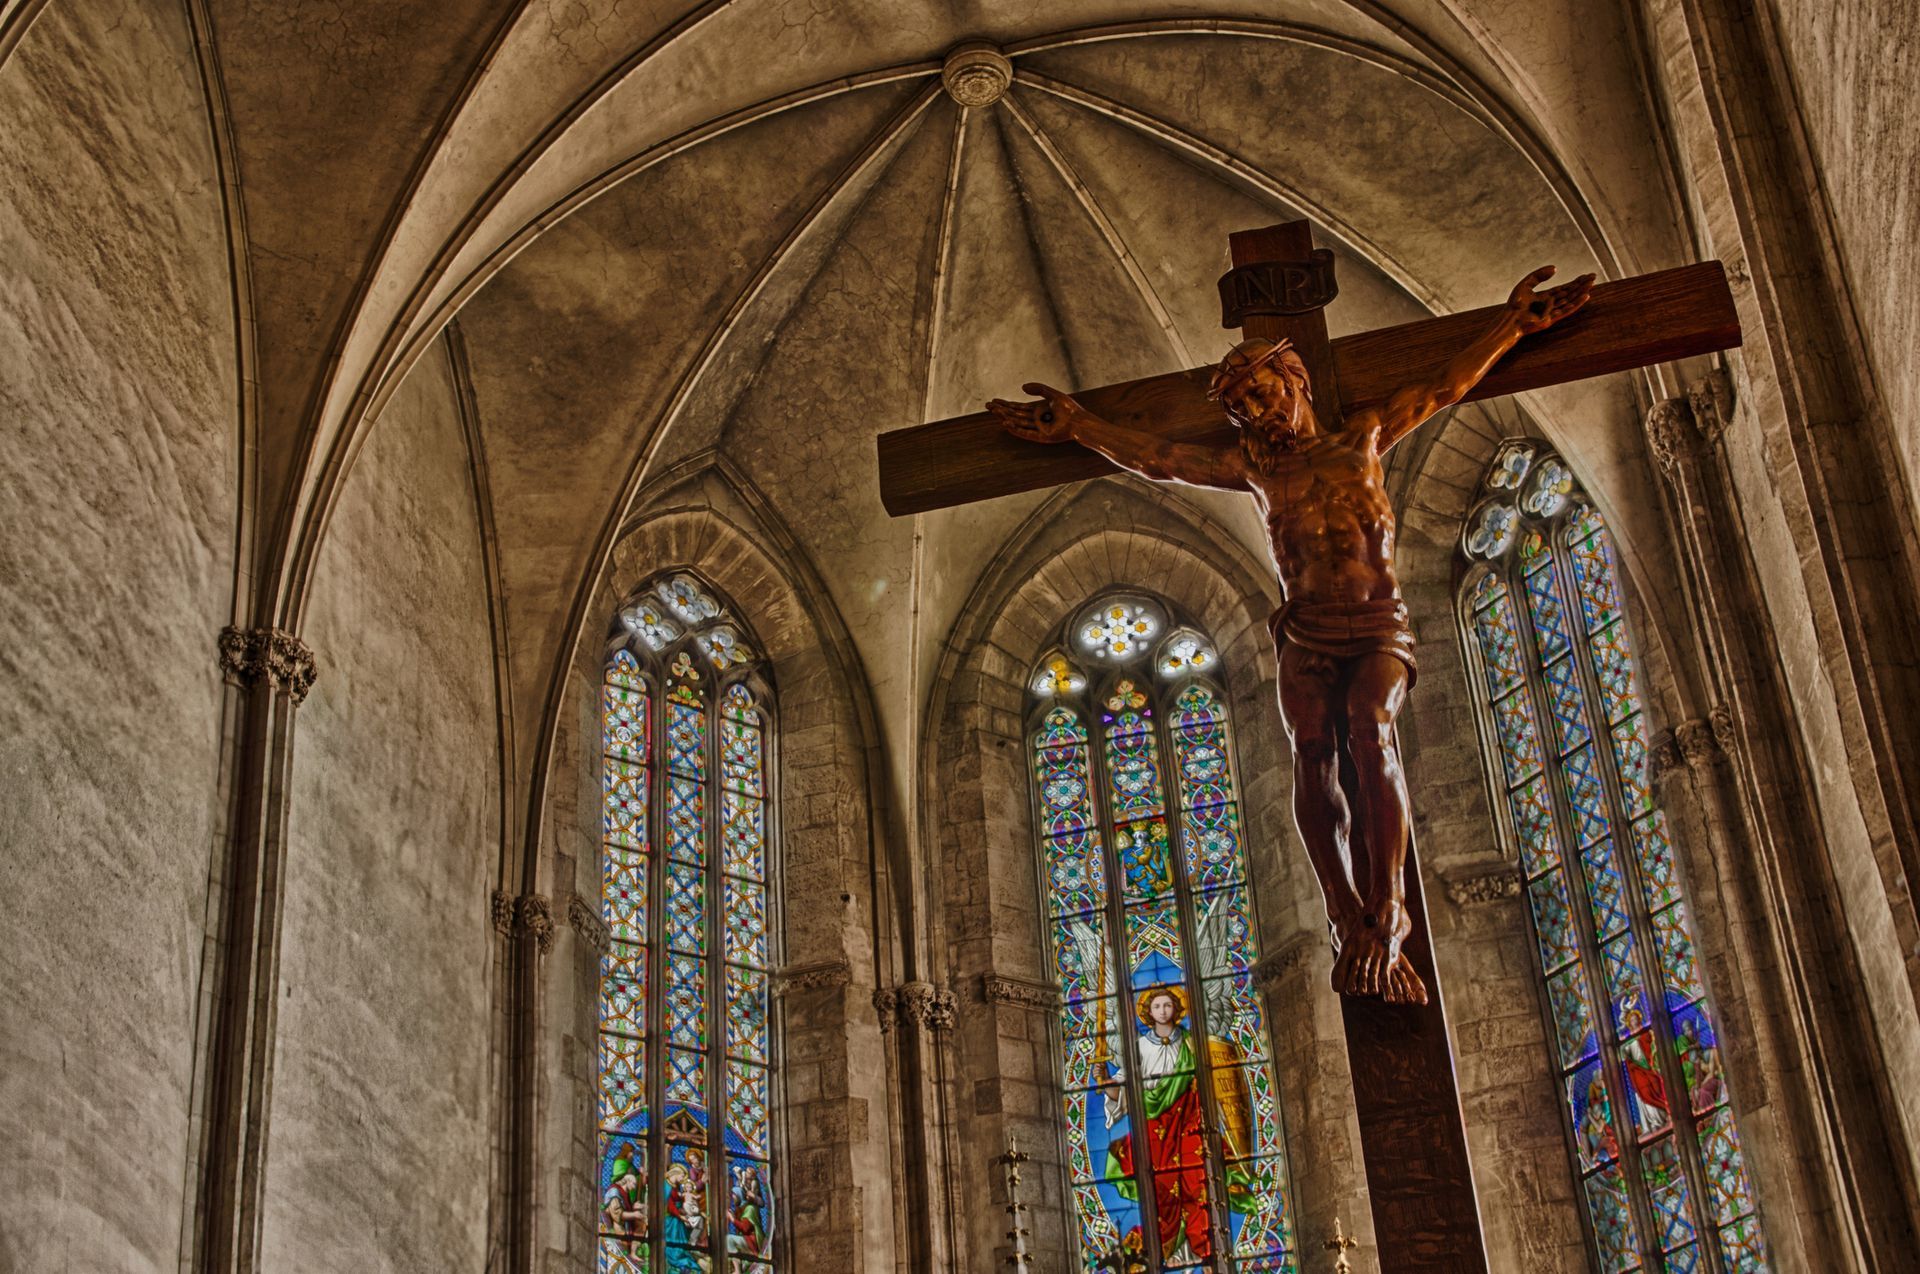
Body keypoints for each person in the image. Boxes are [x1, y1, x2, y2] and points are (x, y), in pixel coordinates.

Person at [989, 265, 1594, 1004]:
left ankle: (1390, 909)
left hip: (1375, 622)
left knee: (1370, 731)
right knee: (1312, 755)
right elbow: (1160, 459)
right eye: (1239, 406)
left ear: (1295, 378)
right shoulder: (1256, 470)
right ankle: (1347, 919)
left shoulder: (1363, 439)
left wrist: (1513, 325)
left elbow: (1442, 388)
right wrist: (1080, 425)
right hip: (1305, 629)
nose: (1253, 412)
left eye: (1260, 392)